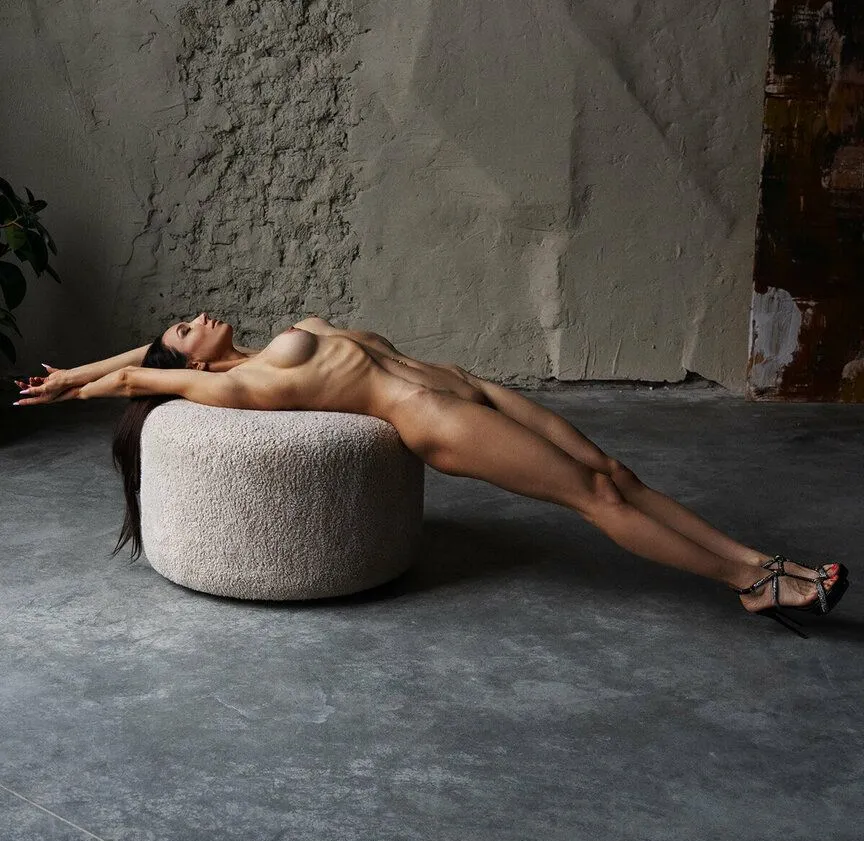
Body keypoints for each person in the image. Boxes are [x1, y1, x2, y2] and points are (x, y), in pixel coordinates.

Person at [13, 312, 848, 634]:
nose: (197, 316)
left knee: (612, 469)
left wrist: (98, 360)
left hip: (467, 386)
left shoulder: (264, 347)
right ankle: (754, 581)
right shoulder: (237, 383)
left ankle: (759, 564)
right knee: (593, 496)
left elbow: (143, 354)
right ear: (188, 363)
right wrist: (71, 384)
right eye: (183, 329)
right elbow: (138, 373)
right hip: (435, 418)